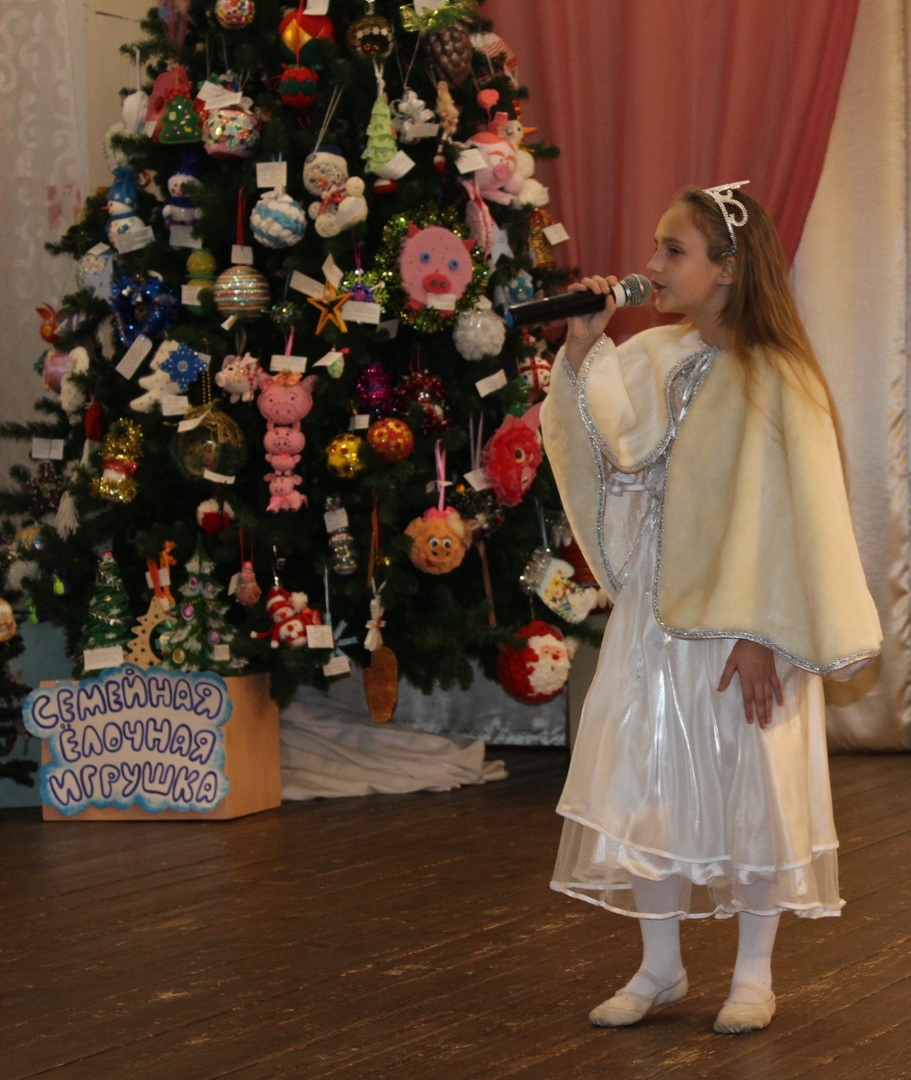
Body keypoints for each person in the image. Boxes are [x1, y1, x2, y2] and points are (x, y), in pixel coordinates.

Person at [539, 183, 882, 1035]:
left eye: (673, 250)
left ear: (727, 269)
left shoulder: (781, 378)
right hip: (659, 614)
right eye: (655, 248)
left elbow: (796, 516)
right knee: (646, 779)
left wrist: (764, 632)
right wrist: (581, 353)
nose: (650, 265)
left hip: (745, 625)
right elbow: (611, 463)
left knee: (752, 785)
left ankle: (752, 973)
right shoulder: (652, 355)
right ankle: (659, 967)